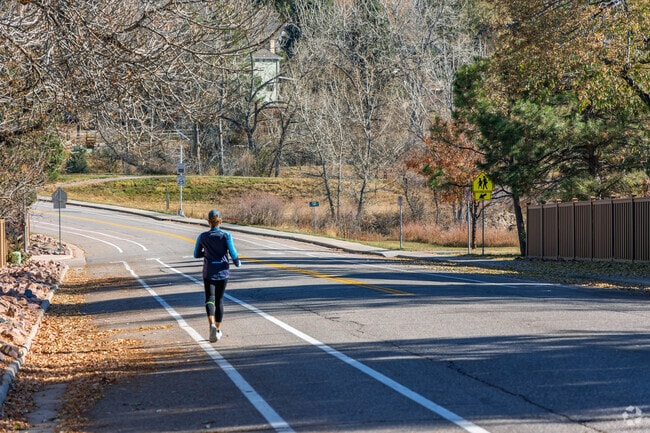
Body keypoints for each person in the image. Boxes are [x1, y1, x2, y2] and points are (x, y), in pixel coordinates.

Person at [193, 209, 241, 342]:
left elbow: (196, 254)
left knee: (209, 298)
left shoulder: (203, 236)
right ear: (221, 221)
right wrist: (237, 262)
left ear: (209, 222)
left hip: (209, 272)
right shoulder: (226, 236)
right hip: (223, 272)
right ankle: (218, 330)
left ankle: (211, 324)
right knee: (219, 300)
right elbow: (233, 252)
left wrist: (207, 254)